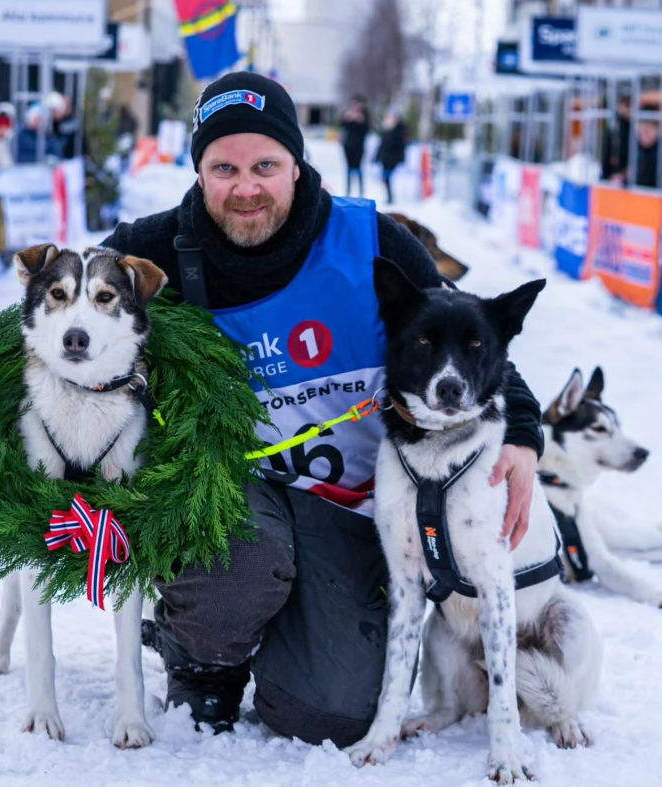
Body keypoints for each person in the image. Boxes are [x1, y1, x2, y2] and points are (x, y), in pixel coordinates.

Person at [101, 72, 545, 748]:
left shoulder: (368, 240)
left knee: (332, 716)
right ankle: (200, 652)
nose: (245, 186)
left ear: (297, 164)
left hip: (351, 506)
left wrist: (520, 433)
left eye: (264, 166)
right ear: (197, 170)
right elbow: (64, 320)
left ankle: (290, 639)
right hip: (230, 496)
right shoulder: (152, 250)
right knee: (241, 566)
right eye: (223, 167)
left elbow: (469, 335)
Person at [339, 94, 369, 197]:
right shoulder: (348, 113)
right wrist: (348, 119)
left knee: (358, 168)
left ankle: (361, 190)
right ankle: (348, 189)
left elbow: (366, 130)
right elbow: (343, 126)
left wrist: (360, 120)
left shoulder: (365, 115)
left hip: (359, 146)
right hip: (348, 145)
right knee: (349, 168)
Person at [375, 112, 406, 205]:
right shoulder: (387, 130)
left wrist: (397, 159)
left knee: (386, 178)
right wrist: (378, 157)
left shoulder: (398, 132)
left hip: (392, 159)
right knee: (385, 178)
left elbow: (400, 147)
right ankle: (389, 197)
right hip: (385, 159)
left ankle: (390, 198)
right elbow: (382, 145)